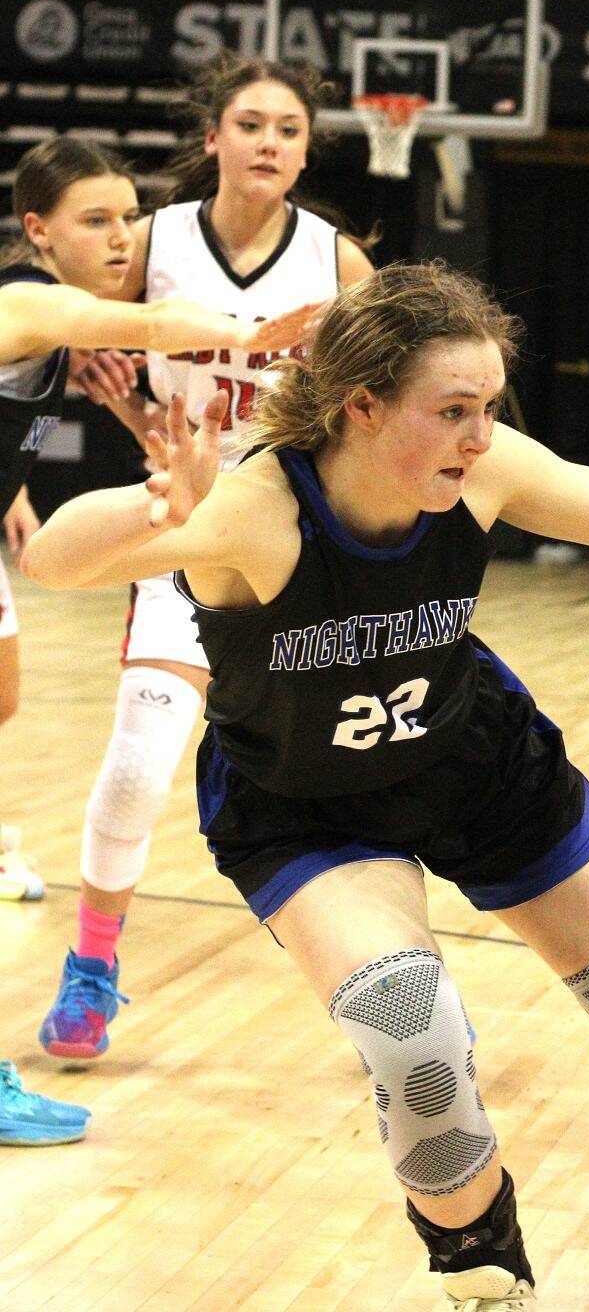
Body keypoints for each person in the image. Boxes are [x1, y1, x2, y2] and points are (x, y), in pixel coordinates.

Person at [20, 262, 589, 1309]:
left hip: (472, 765)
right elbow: (52, 561)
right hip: (305, 806)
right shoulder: (257, 509)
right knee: (413, 1040)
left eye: (490, 408)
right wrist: (152, 503)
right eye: (453, 411)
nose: (480, 436)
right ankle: (486, 1282)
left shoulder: (481, 475)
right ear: (362, 405)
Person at [41, 51, 374, 1060]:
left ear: (303, 152)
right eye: (253, 124)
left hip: (296, 537)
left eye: (289, 131)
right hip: (181, 526)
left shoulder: (338, 263)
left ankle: (390, 985)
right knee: (143, 767)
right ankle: (92, 967)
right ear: (213, 138)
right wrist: (101, 374)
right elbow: (53, 310)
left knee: (352, 779)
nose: (271, 142)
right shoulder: (151, 243)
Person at [0, 135, 315, 1135]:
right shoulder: (29, 302)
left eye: (126, 218)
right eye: (95, 220)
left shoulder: (59, 346)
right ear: (37, 230)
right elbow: (152, 319)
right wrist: (255, 335)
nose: (119, 236)